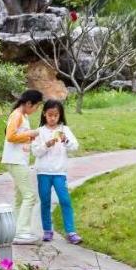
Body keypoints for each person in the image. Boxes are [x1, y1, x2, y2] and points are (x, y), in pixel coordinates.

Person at [31, 99, 82, 244]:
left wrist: (65, 140)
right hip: (43, 173)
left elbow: (74, 147)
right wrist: (47, 144)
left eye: (56, 115)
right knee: (45, 201)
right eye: (50, 115)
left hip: (59, 173)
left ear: (60, 115)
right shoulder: (39, 131)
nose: (53, 118)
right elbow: (36, 152)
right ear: (44, 114)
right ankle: (47, 230)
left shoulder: (64, 130)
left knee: (65, 200)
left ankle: (71, 232)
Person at [1, 89, 43, 244]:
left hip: (18, 160)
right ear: (28, 103)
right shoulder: (17, 115)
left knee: (20, 196)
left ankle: (16, 230)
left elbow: (18, 137)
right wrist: (31, 133)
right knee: (30, 196)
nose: (36, 109)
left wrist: (29, 138)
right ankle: (22, 232)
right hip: (15, 161)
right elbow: (10, 136)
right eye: (36, 106)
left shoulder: (22, 115)